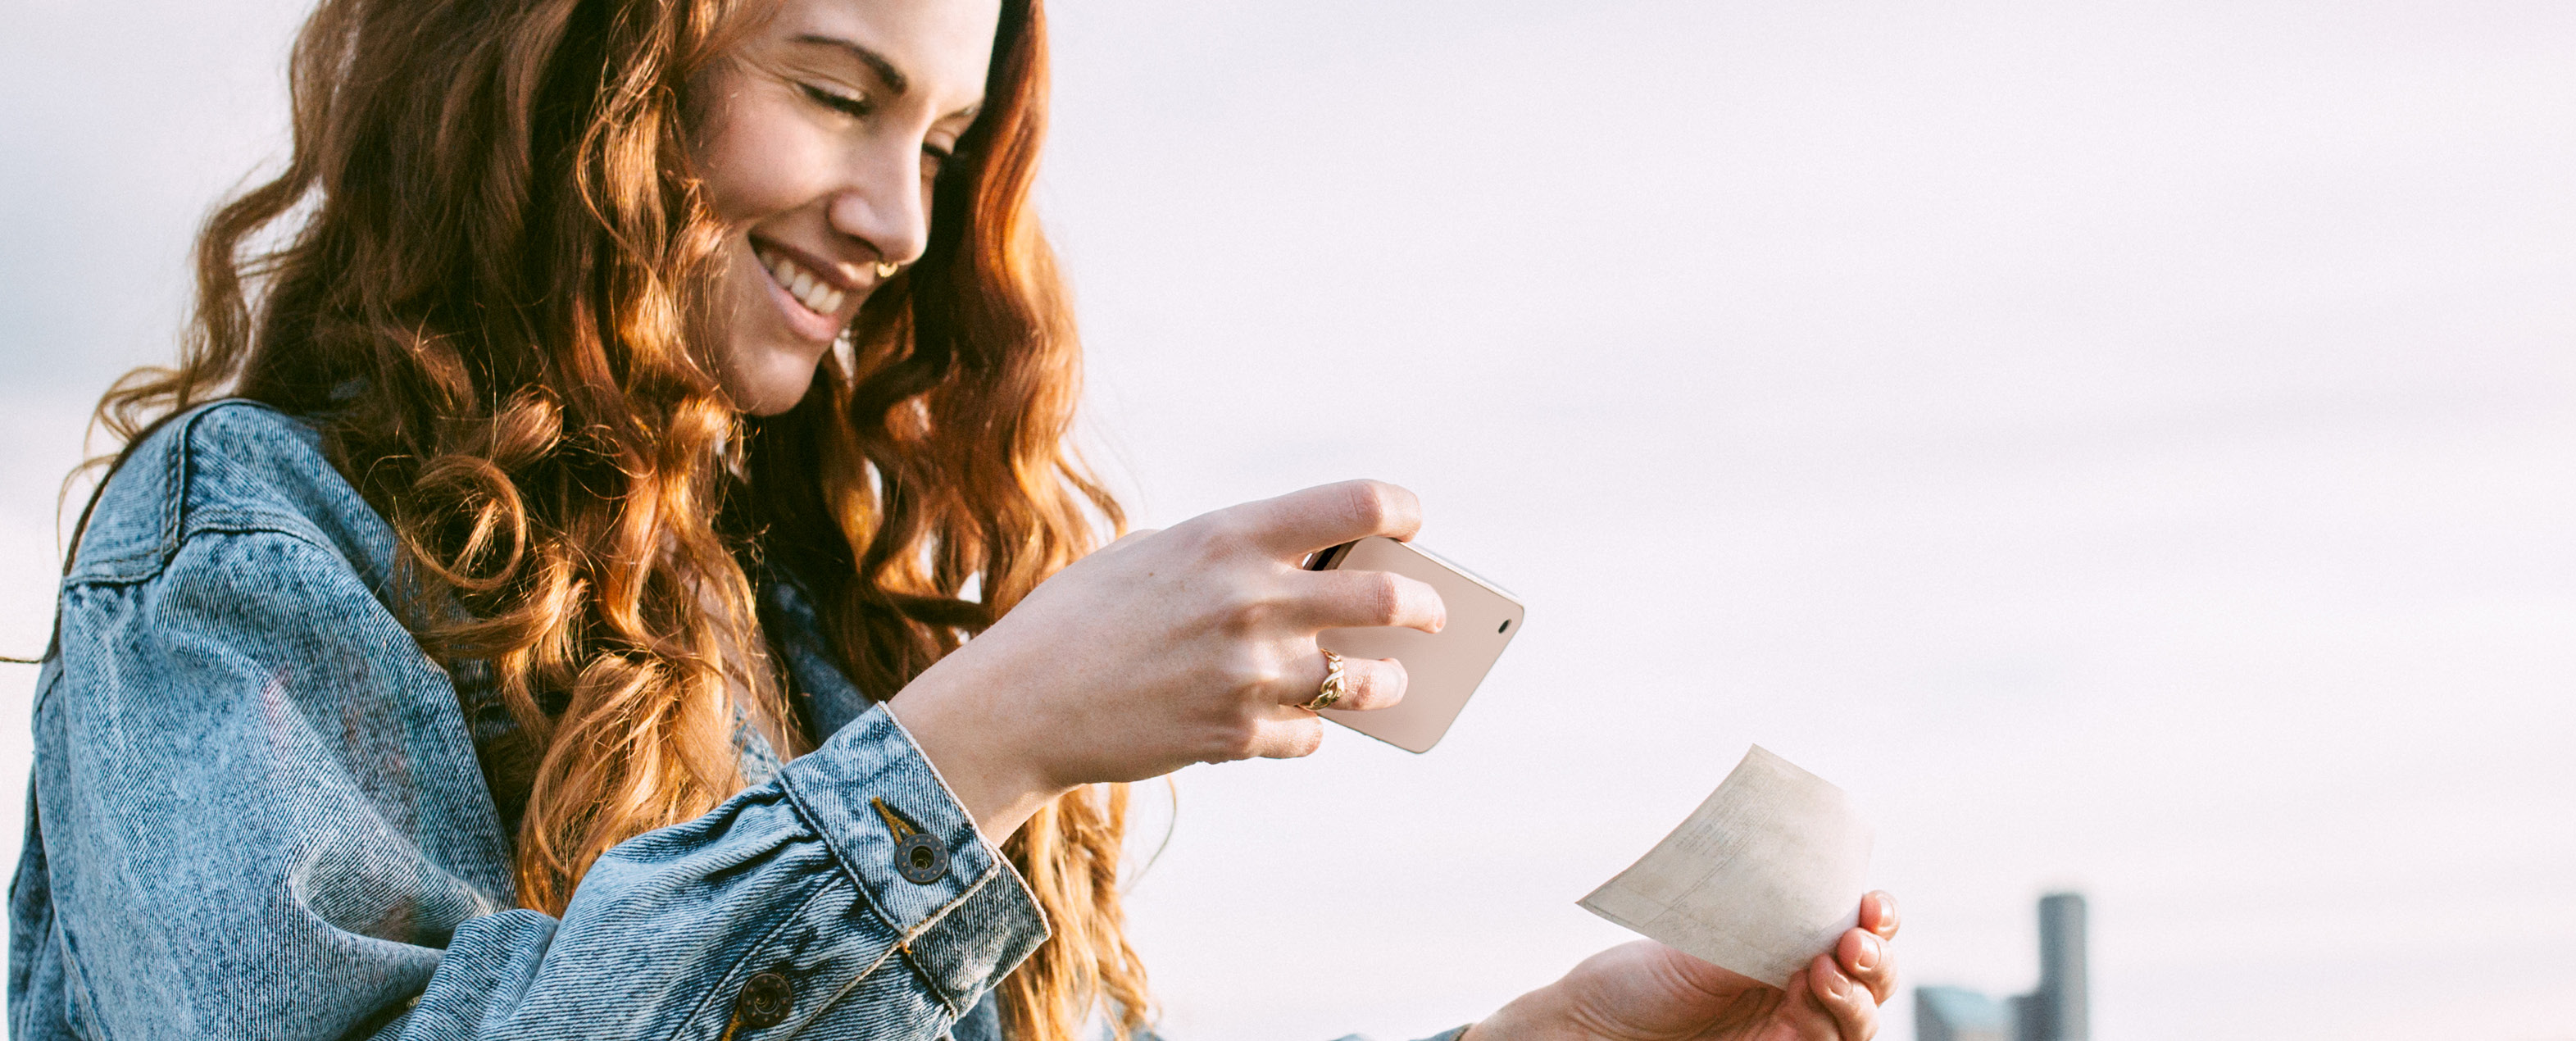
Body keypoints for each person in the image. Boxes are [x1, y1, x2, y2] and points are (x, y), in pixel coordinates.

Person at [7, 0, 1901, 1039]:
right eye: (835, 94)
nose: (902, 222)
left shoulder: (816, 616)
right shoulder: (248, 543)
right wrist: (976, 743)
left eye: (936, 145)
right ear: (577, 61)